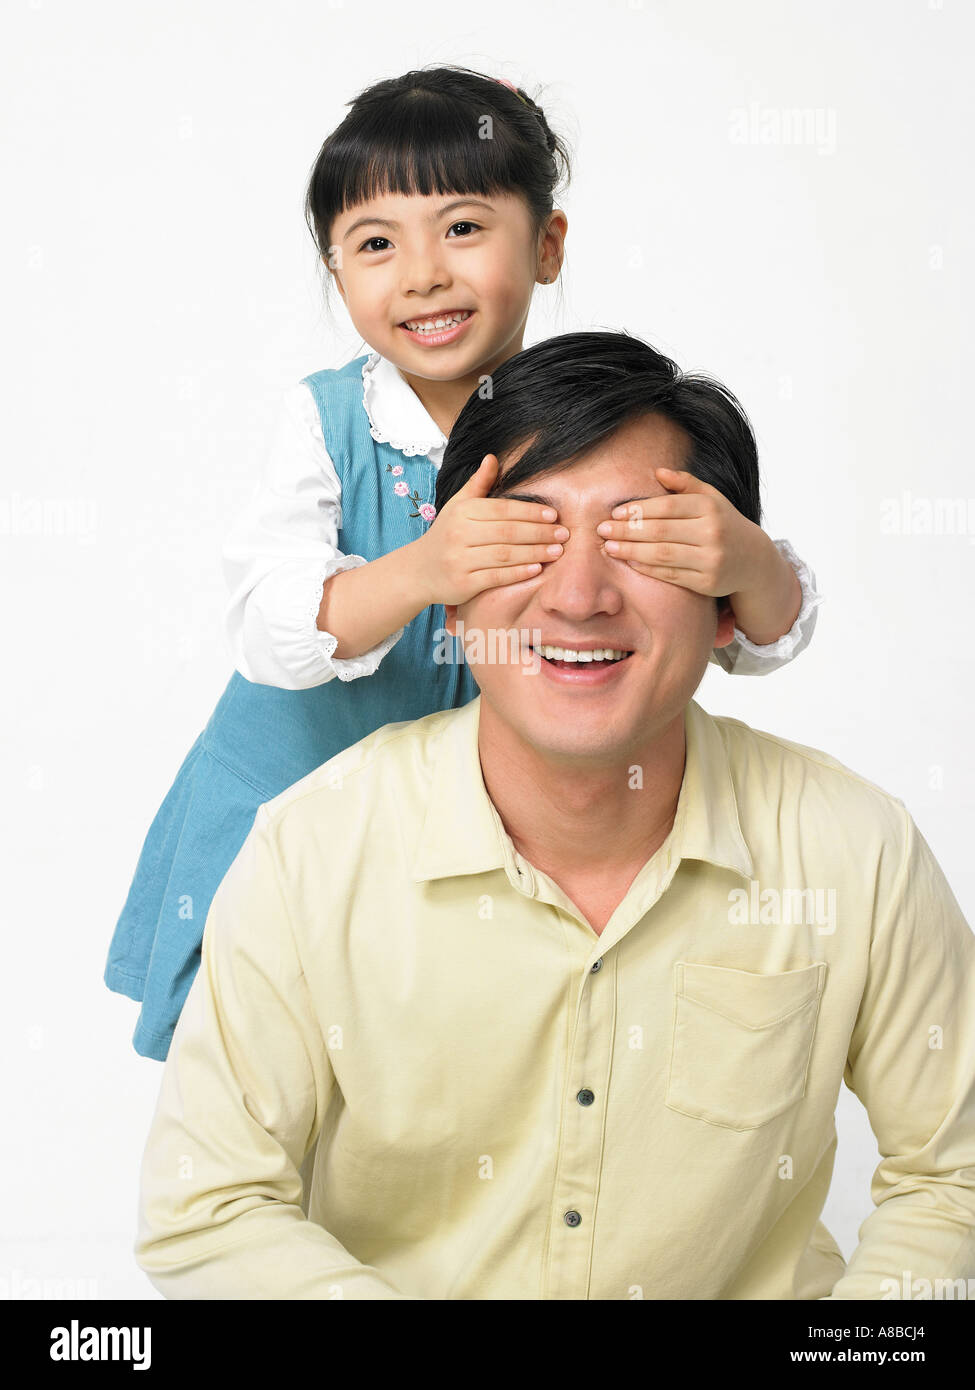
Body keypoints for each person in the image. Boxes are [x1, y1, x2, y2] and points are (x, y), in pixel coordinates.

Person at [134, 331, 975, 1300]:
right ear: (452, 604)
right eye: (527, 538)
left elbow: (951, 1175)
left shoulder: (853, 850)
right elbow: (209, 1207)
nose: (579, 596)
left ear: (725, 606)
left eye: (642, 540)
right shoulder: (310, 853)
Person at [104, 65, 822, 1064]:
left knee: (438, 1069)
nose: (424, 274)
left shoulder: (581, 428)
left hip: (470, 824)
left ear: (548, 243)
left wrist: (743, 556)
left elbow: (758, 637)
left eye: (464, 228)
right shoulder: (328, 420)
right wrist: (424, 568)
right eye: (376, 244)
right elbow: (271, 631)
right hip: (300, 790)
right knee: (275, 1063)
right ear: (336, 269)